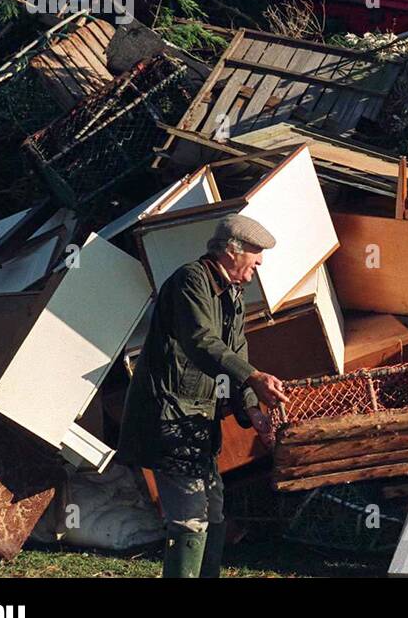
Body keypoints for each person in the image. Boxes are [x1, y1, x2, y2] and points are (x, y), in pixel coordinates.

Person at [118, 213, 289, 578]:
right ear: (232, 251)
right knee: (189, 517)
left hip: (197, 421)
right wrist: (255, 377)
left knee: (213, 511)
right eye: (255, 256)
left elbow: (236, 353)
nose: (259, 264)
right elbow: (201, 342)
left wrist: (252, 412)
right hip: (168, 417)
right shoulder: (189, 281)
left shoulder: (233, 294)